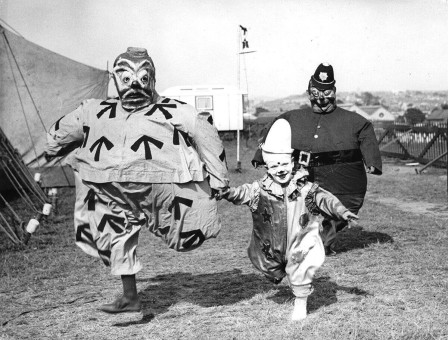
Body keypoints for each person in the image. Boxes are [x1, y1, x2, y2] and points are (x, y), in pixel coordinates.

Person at [45, 47, 229, 313]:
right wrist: (56, 147)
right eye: (126, 78)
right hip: (111, 189)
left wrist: (218, 179)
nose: (134, 86)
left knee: (187, 235)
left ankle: (179, 234)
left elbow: (205, 132)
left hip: (162, 186)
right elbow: (58, 134)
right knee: (112, 238)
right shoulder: (94, 111)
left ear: (152, 79)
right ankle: (130, 297)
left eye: (142, 79)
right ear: (116, 79)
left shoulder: (173, 110)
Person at [218, 119, 359, 321]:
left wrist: (342, 211)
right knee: (272, 269)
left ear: (292, 163)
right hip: (269, 246)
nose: (281, 169)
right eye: (275, 165)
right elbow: (240, 194)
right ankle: (277, 272)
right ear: (267, 166)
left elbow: (324, 198)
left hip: (300, 242)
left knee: (300, 269)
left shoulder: (305, 188)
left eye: (284, 164)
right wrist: (225, 193)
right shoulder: (259, 189)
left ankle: (300, 304)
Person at [252, 63, 382, 255]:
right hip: (304, 175)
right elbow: (273, 132)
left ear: (334, 91)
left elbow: (366, 136)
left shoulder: (356, 121)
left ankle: (324, 242)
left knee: (337, 212)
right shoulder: (291, 118)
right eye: (316, 92)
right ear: (309, 92)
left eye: (327, 91)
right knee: (300, 212)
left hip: (341, 179)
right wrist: (261, 156)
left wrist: (371, 162)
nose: (321, 97)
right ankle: (307, 242)